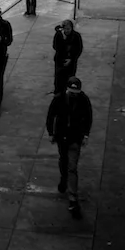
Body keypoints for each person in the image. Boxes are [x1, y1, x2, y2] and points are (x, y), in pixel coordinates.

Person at [46, 76, 93, 218]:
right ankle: (63, 177)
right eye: (72, 92)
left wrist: (85, 135)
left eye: (76, 92)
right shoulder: (59, 99)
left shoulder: (83, 100)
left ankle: (73, 198)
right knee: (64, 160)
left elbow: (88, 117)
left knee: (72, 166)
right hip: (62, 136)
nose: (74, 95)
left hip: (75, 138)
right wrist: (51, 133)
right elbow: (51, 115)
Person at [52, 19, 83, 94]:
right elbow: (55, 46)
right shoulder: (59, 35)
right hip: (60, 60)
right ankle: (58, 92)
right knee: (58, 78)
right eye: (65, 29)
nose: (67, 31)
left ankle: (69, 92)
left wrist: (71, 59)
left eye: (68, 29)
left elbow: (78, 49)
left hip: (71, 63)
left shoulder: (76, 36)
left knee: (69, 77)